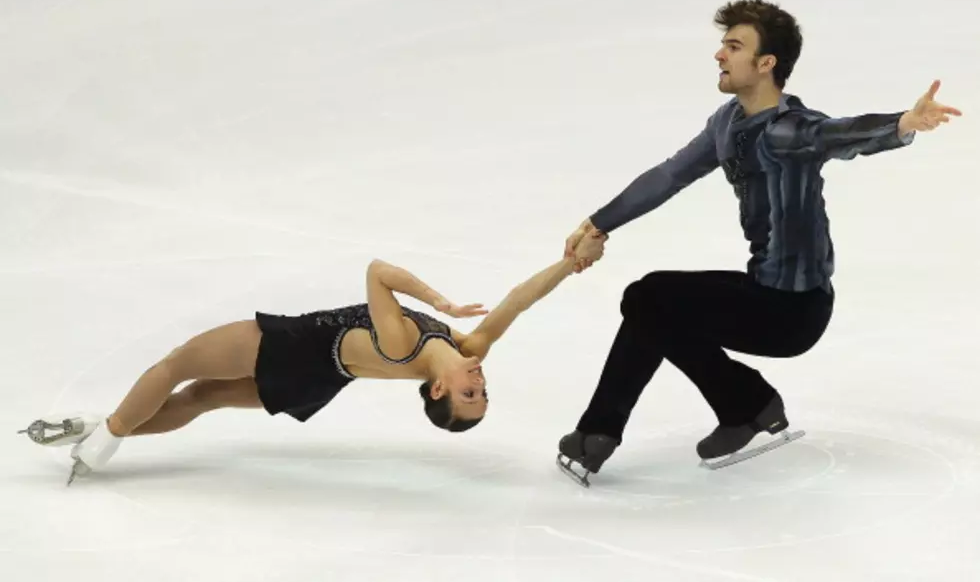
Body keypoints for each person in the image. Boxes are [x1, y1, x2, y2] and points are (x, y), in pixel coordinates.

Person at [556, 0, 962, 487]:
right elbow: (670, 174)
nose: (719, 55)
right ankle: (738, 408)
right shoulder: (727, 122)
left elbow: (840, 133)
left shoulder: (791, 130)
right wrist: (600, 224)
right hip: (760, 291)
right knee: (652, 305)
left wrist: (902, 123)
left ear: (766, 63)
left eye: (733, 46)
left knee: (651, 296)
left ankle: (710, 410)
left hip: (794, 310)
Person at [21, 232, 607, 485]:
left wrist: (438, 301)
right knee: (201, 400)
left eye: (470, 394)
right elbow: (518, 302)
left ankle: (106, 437)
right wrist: (570, 263)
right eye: (483, 392)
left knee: (179, 366)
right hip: (318, 381)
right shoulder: (466, 347)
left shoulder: (403, 343)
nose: (480, 379)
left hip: (295, 346)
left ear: (436, 391)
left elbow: (378, 272)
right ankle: (95, 428)